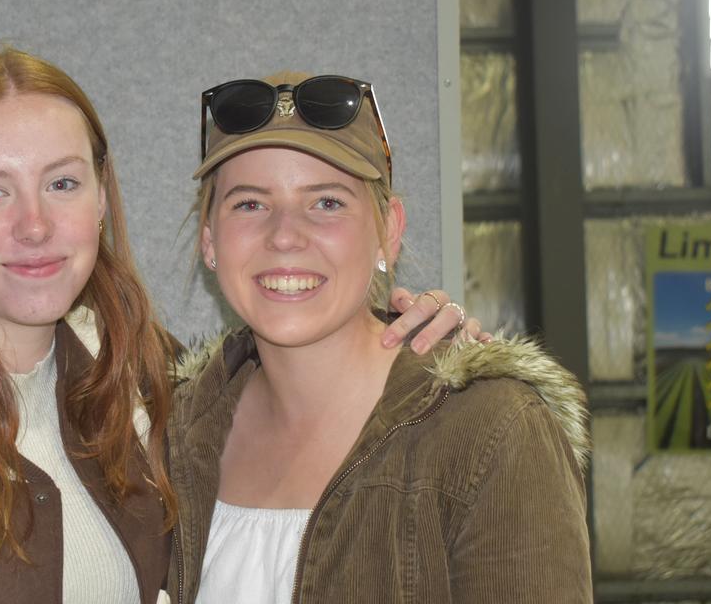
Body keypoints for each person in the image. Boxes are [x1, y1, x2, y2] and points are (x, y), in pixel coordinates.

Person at [0, 47, 476, 604]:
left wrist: (401, 332)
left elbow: (285, 375)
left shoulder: (134, 382)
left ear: (100, 197)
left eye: (61, 183)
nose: (35, 225)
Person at [167, 73, 592, 604]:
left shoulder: (492, 433)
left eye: (326, 203)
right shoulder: (167, 432)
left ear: (388, 231)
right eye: (249, 204)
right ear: (211, 241)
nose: (283, 235)